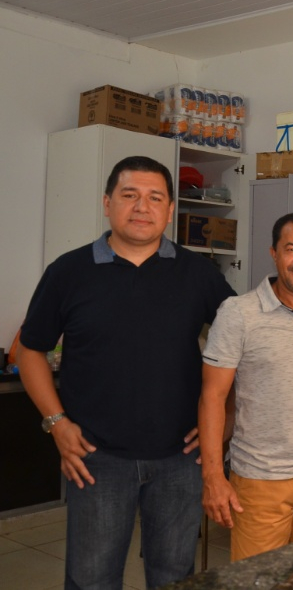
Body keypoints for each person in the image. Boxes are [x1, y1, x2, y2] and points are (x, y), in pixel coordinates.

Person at [17, 156, 235, 589]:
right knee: (92, 579)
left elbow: (243, 347)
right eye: (129, 195)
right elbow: (29, 351)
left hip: (181, 459)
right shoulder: (69, 271)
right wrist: (57, 424)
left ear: (170, 209)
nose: (142, 206)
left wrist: (228, 417)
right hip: (97, 460)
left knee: (174, 577)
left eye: (155, 197)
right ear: (107, 203)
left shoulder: (198, 274)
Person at [198, 212, 293, 561]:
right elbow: (212, 397)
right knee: (259, 581)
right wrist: (212, 476)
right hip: (260, 479)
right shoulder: (238, 312)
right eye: (292, 249)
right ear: (274, 253)